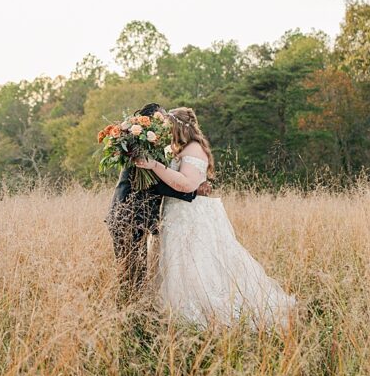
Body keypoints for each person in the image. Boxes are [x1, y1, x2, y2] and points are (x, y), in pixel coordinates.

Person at [133, 107, 297, 329]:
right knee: (179, 265)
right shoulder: (183, 148)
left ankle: (201, 316)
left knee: (195, 263)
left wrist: (155, 166)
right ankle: (176, 316)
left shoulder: (193, 149)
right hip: (177, 214)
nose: (167, 131)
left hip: (189, 216)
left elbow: (187, 184)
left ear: (180, 127)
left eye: (170, 126)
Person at [106, 102, 200, 302]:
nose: (165, 120)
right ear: (148, 121)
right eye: (161, 116)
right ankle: (128, 313)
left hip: (136, 217)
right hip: (127, 215)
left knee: (136, 271)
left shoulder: (151, 149)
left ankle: (132, 310)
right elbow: (157, 184)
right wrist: (190, 192)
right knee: (130, 272)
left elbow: (155, 181)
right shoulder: (139, 150)